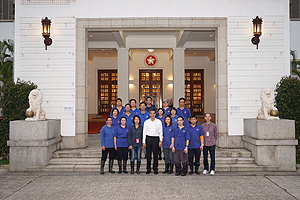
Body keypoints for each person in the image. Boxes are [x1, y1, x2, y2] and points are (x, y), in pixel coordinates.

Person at [142, 108, 163, 174]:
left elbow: (160, 131)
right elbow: (144, 132)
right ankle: (148, 168)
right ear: (149, 114)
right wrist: (144, 142)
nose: (152, 115)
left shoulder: (158, 121)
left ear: (155, 114)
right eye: (151, 113)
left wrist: (160, 140)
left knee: (155, 154)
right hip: (148, 138)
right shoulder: (146, 122)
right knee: (148, 154)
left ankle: (155, 168)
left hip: (156, 138)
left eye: (154, 113)